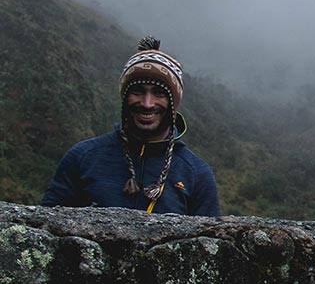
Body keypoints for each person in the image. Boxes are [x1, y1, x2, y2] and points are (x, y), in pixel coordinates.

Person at [41, 35, 221, 216]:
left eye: (159, 93)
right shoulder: (83, 157)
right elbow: (47, 222)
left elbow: (210, 240)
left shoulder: (196, 173)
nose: (147, 103)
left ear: (173, 103)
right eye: (138, 91)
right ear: (125, 97)